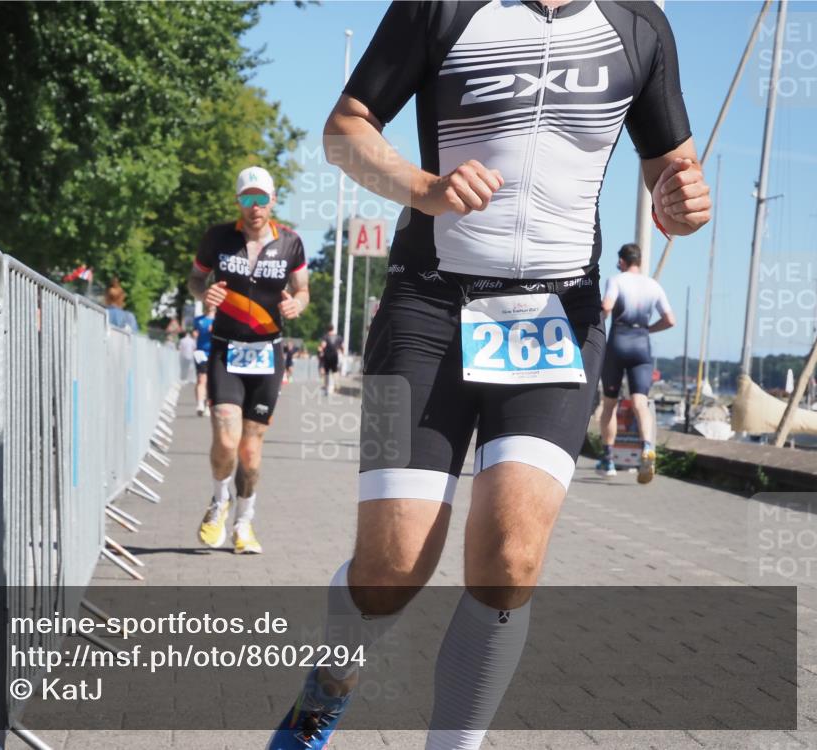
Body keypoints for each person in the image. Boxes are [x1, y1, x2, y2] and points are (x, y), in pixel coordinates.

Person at [268, 1, 710, 748]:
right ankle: (325, 693)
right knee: (390, 568)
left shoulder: (640, 24)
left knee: (511, 558)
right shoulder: (439, 5)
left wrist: (686, 203)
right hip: (421, 309)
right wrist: (422, 188)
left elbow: (676, 173)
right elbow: (344, 131)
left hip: (558, 317)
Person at [188, 166, 310, 555]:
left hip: (267, 353)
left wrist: (297, 304)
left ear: (273, 200)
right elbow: (194, 279)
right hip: (226, 347)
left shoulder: (291, 243)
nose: (254, 206)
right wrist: (203, 294)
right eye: (247, 198)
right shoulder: (218, 238)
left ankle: (244, 523)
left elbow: (303, 289)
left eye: (261, 199)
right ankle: (218, 501)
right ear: (238, 201)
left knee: (251, 452)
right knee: (226, 440)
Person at [597, 243, 676, 483]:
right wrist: (647, 330)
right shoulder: (653, 285)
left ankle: (608, 459)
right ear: (639, 261)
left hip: (618, 341)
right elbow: (670, 320)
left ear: (622, 261)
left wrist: (597, 326)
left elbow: (607, 307)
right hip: (642, 344)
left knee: (609, 404)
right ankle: (647, 447)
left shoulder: (616, 280)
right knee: (640, 403)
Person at [193, 305, 216, 416]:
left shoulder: (218, 319)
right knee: (201, 379)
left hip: (215, 352)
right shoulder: (198, 319)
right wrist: (195, 334)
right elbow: (195, 331)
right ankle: (200, 404)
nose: (210, 306)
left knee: (212, 381)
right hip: (201, 352)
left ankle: (208, 405)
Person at [317, 326, 343, 395]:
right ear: (333, 329)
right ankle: (337, 386)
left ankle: (326, 388)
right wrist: (342, 353)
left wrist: (320, 352)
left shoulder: (325, 337)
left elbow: (323, 345)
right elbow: (342, 347)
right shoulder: (338, 337)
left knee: (327, 373)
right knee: (335, 371)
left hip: (327, 357)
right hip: (335, 357)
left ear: (327, 330)